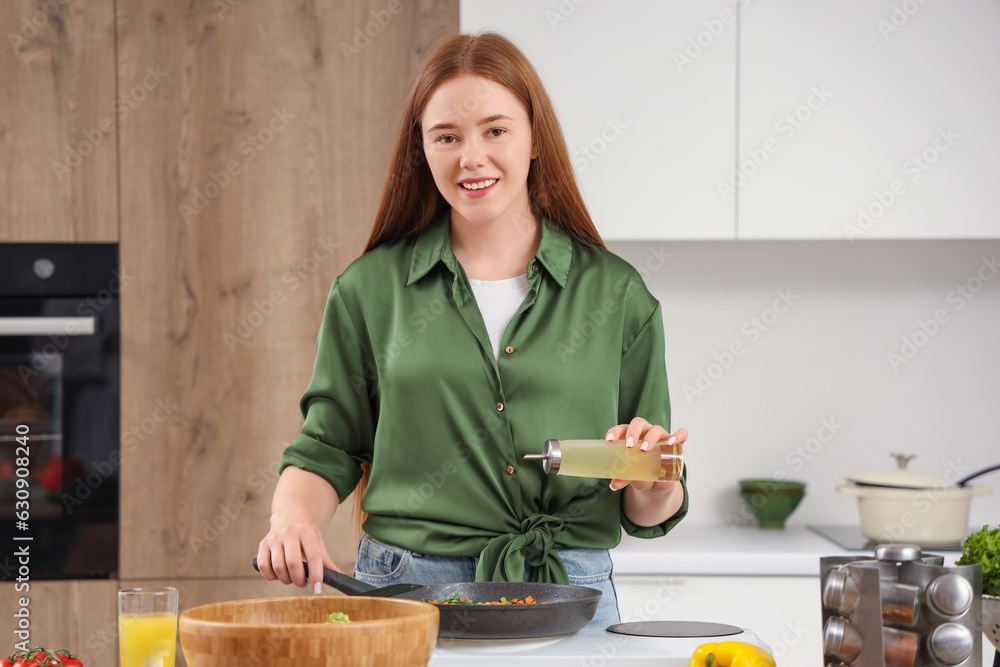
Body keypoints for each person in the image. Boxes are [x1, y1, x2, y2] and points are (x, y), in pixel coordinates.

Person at [255, 31, 689, 629]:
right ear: (422, 150)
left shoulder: (617, 296)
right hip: (407, 595)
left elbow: (648, 506)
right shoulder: (368, 290)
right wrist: (292, 520)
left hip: (569, 597)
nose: (472, 157)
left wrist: (655, 473)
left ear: (535, 138)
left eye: (496, 130)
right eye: (448, 137)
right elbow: (328, 447)